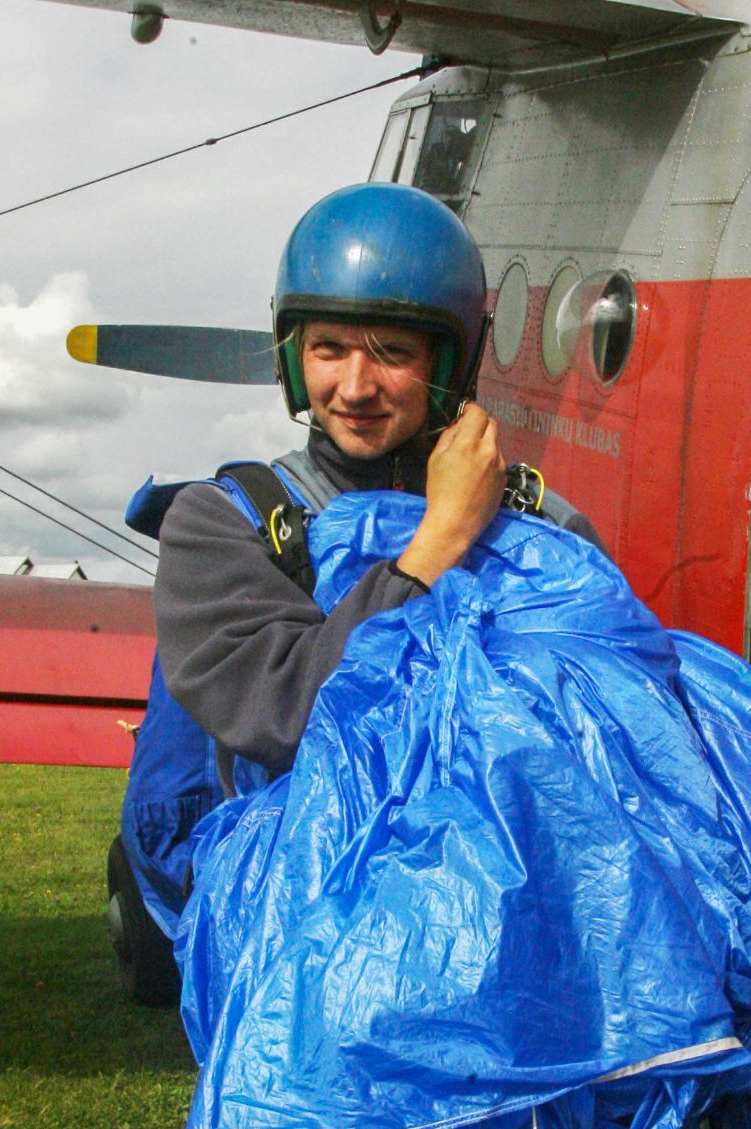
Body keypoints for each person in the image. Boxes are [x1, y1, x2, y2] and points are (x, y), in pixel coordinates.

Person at [153, 182, 601, 795]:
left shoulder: (549, 529)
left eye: (392, 352)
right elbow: (286, 716)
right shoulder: (222, 525)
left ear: (449, 365)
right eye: (328, 350)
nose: (357, 387)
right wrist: (441, 540)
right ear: (292, 358)